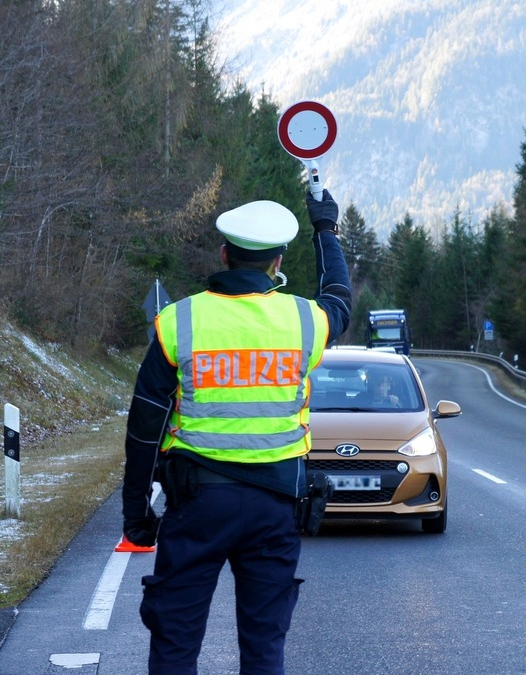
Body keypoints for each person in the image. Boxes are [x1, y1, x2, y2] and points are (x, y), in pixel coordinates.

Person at [121, 189, 352, 675]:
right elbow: (340, 299)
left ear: (224, 254)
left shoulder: (178, 321)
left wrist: (136, 511)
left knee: (175, 642)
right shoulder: (304, 320)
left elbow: (145, 424)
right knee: (265, 646)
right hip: (276, 508)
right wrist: (325, 229)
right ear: (277, 263)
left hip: (197, 506)